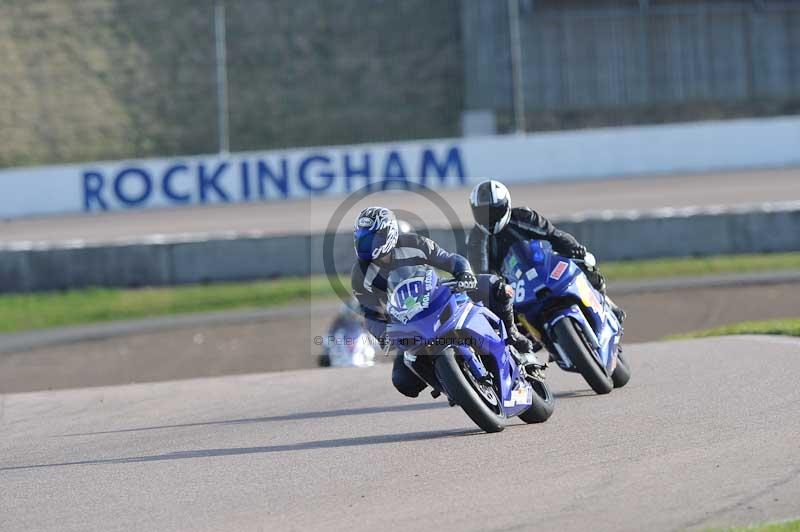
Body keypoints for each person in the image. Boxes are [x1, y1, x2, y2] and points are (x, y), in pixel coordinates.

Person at [351, 206, 538, 398]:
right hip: (408, 321)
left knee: (496, 287)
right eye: (362, 238)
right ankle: (450, 385)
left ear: (388, 234)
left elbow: (448, 260)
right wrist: (385, 335)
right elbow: (369, 314)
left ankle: (513, 335)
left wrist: (464, 273)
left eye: (372, 239)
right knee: (403, 381)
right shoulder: (360, 275)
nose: (366, 245)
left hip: (439, 294)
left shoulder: (413, 242)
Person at [466, 179, 626, 324]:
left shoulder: (523, 216)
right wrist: (497, 289)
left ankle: (607, 304)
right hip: (514, 287)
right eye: (482, 212)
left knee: (584, 264)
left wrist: (574, 249)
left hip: (544, 266)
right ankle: (522, 354)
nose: (488, 218)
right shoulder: (475, 239)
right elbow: (482, 274)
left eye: (493, 211)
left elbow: (553, 235)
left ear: (505, 206)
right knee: (494, 319)